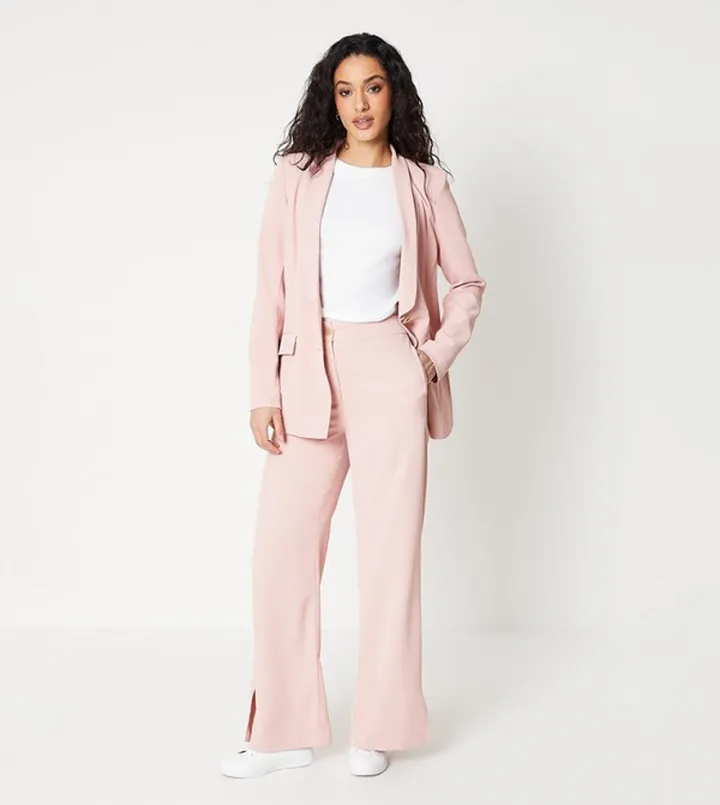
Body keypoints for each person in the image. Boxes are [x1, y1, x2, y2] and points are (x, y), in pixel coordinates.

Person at [221, 31, 486, 780]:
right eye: (345, 90)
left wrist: (429, 358)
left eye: (373, 87)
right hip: (308, 371)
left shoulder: (424, 184)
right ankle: (283, 731)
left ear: (393, 92)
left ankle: (380, 724)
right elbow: (270, 289)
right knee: (281, 553)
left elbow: (467, 283)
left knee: (390, 556)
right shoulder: (298, 176)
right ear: (329, 99)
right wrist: (262, 390)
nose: (360, 103)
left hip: (390, 372)